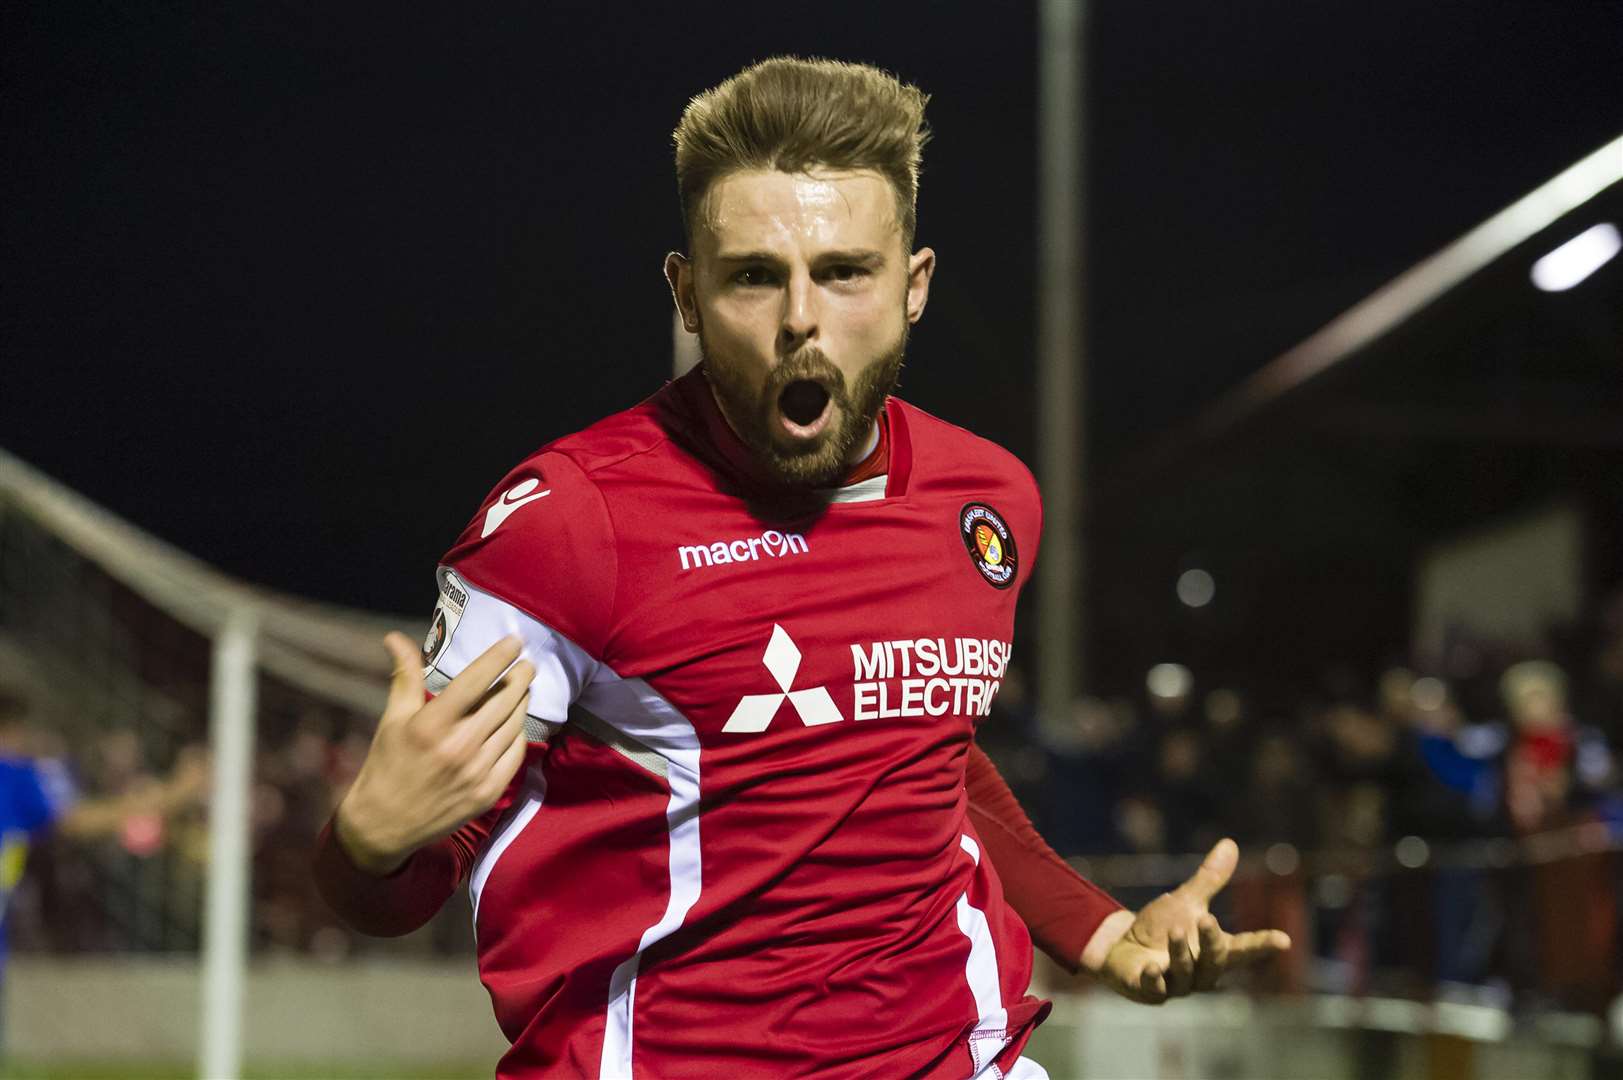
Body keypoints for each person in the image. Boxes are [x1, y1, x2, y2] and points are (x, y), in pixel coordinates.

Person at [313, 57, 1289, 1079]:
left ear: (913, 288)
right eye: (753, 275)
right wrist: (369, 843)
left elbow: (924, 757)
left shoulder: (988, 502)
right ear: (687, 294)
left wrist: (1097, 931)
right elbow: (408, 877)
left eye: (844, 272)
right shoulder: (568, 526)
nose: (800, 320)